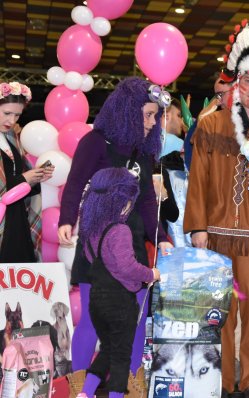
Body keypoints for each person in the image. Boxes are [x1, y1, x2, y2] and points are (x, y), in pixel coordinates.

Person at [183, 12, 249, 398]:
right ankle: (223, 382)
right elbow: (197, 181)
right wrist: (196, 227)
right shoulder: (211, 125)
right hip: (216, 236)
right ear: (236, 79)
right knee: (220, 315)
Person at [58, 77, 173, 398]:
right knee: (94, 321)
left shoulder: (143, 151)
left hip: (133, 245)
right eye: (148, 115)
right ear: (126, 111)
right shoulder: (96, 142)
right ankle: (79, 385)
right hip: (97, 246)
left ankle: (131, 382)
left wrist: (160, 236)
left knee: (134, 319)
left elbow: (148, 200)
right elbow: (74, 182)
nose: (153, 123)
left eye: (156, 117)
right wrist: (67, 219)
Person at [75, 167, 160, 398]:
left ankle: (86, 392)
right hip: (120, 303)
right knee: (121, 356)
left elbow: (99, 261)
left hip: (97, 301)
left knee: (108, 349)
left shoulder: (91, 230)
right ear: (122, 202)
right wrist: (151, 274)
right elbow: (126, 267)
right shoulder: (120, 230)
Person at [0, 81, 54, 262]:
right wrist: (25, 178)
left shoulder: (11, 138)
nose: (12, 121)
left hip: (17, 219)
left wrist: (37, 176)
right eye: (7, 113)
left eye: (17, 115)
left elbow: (16, 177)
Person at [155, 98, 189, 246]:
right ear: (166, 116)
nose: (182, 121)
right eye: (180, 115)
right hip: (170, 231)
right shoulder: (172, 143)